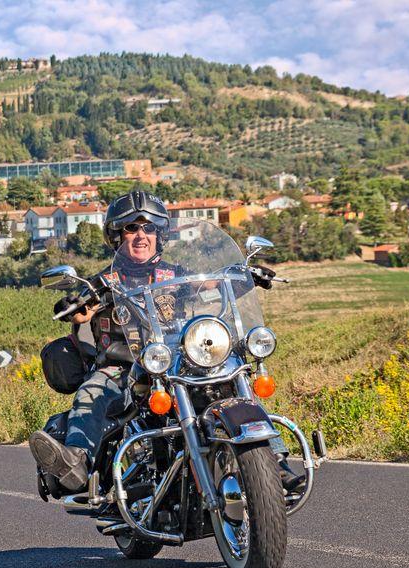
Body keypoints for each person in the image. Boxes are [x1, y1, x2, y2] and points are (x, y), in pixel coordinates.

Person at [29, 190, 301, 494]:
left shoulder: (175, 274)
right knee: (92, 392)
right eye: (131, 228)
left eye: (149, 228)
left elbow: (208, 283)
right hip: (123, 369)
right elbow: (81, 312)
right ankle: (76, 461)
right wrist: (76, 303)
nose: (141, 235)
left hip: (178, 361)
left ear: (160, 235)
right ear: (117, 236)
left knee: (235, 378)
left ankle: (273, 461)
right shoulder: (104, 281)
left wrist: (242, 276)